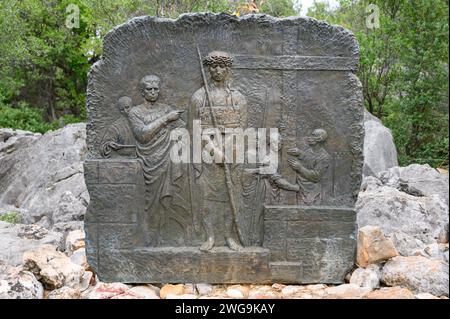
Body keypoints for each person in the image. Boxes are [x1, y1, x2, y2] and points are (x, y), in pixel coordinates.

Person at [190, 51, 247, 251]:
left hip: (231, 155)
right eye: (214, 67)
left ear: (228, 69)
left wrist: (227, 151)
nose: (218, 70)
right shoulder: (199, 97)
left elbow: (241, 129)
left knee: (231, 198)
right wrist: (214, 151)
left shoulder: (238, 98)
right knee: (208, 199)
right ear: (208, 69)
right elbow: (195, 129)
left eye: (222, 66)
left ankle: (230, 237)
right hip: (207, 156)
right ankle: (210, 237)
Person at [128, 74, 186, 246]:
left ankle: (162, 235)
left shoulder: (166, 108)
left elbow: (182, 127)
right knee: (149, 202)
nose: (153, 92)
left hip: (167, 159)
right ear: (142, 92)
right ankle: (148, 238)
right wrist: (166, 120)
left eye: (156, 89)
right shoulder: (135, 112)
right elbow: (143, 135)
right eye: (149, 89)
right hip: (148, 162)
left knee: (166, 199)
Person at [271, 128, 331, 205]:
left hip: (310, 191)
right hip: (299, 185)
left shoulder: (324, 157)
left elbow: (316, 177)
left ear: (319, 139)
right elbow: (309, 159)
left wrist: (300, 168)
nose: (309, 137)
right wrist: (300, 153)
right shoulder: (309, 151)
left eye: (313, 135)